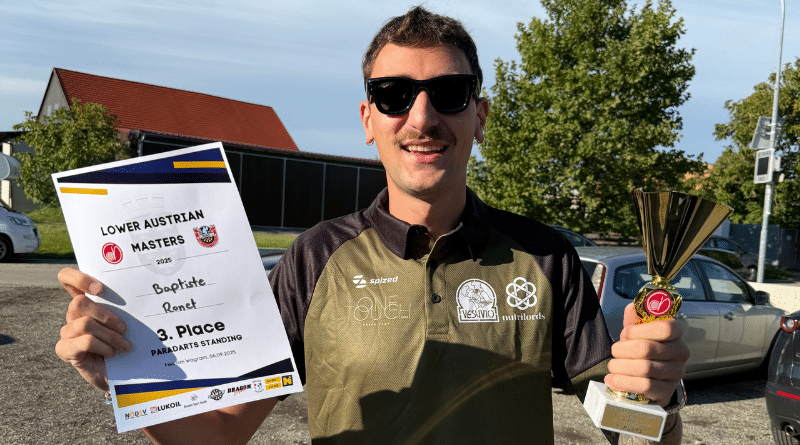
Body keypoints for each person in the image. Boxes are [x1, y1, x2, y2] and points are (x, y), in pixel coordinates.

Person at [55, 6, 689, 444]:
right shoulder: (314, 257)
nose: (422, 117)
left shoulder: (545, 254)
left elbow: (628, 429)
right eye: (393, 95)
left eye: (450, 93)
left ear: (479, 115)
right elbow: (220, 435)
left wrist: (657, 398)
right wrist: (127, 381)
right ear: (368, 119)